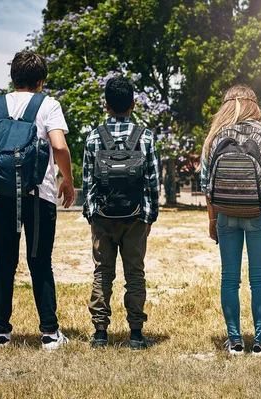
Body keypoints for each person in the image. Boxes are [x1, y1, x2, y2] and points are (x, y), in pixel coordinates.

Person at [0, 50, 75, 350]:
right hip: (38, 196)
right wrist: (68, 180)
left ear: (13, 77)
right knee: (40, 262)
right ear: (41, 81)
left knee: (3, 263)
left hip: (1, 197)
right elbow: (59, 147)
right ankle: (50, 334)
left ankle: (1, 334)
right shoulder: (48, 105)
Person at [201, 84, 261, 355]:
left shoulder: (215, 137)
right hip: (259, 212)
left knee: (229, 279)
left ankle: (235, 341)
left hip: (225, 213)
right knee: (259, 280)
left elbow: (207, 185)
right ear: (253, 104)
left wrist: (213, 220)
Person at [82, 75, 160, 350]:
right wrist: (150, 216)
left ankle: (100, 334)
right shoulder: (146, 137)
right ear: (133, 104)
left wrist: (91, 213)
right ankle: (136, 335)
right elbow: (152, 181)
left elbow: (87, 181)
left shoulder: (93, 137)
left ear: (106, 105)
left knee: (103, 272)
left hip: (103, 217)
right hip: (136, 217)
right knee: (134, 274)